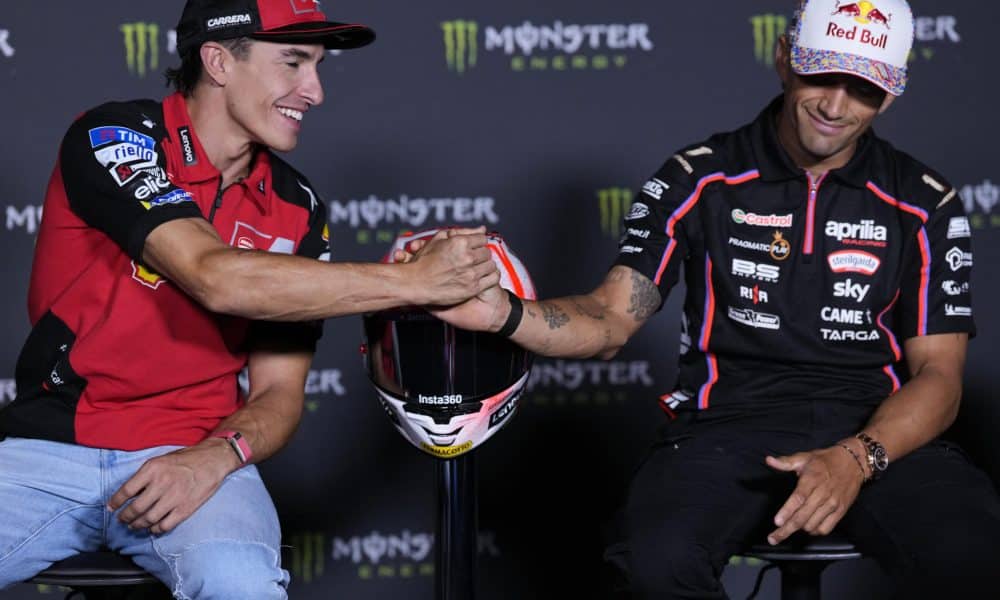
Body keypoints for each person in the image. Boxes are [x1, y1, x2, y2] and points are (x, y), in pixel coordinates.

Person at [434, 0, 1000, 597]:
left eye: (861, 89)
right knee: (654, 563)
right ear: (784, 58)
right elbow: (609, 317)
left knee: (975, 556)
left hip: (876, 432)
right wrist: (503, 313)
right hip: (725, 429)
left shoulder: (923, 200)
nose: (835, 106)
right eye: (820, 74)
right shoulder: (699, 176)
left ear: (891, 94)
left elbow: (940, 376)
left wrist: (855, 459)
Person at [0, 0, 498, 597]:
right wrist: (418, 282)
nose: (314, 90)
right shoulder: (114, 136)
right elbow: (216, 276)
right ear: (217, 61)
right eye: (293, 63)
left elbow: (279, 395)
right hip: (48, 453)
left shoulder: (299, 205)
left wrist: (215, 457)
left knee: (242, 584)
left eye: (317, 67)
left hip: (200, 456)